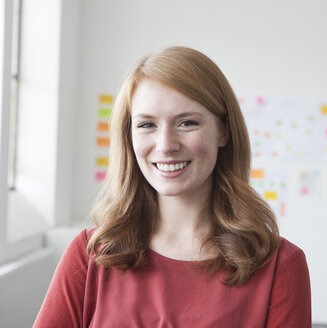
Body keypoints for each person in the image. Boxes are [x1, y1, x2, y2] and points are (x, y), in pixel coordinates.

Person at [34, 47, 311, 327]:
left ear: (224, 131)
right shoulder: (89, 254)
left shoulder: (281, 266)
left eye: (187, 122)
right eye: (146, 124)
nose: (166, 145)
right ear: (128, 136)